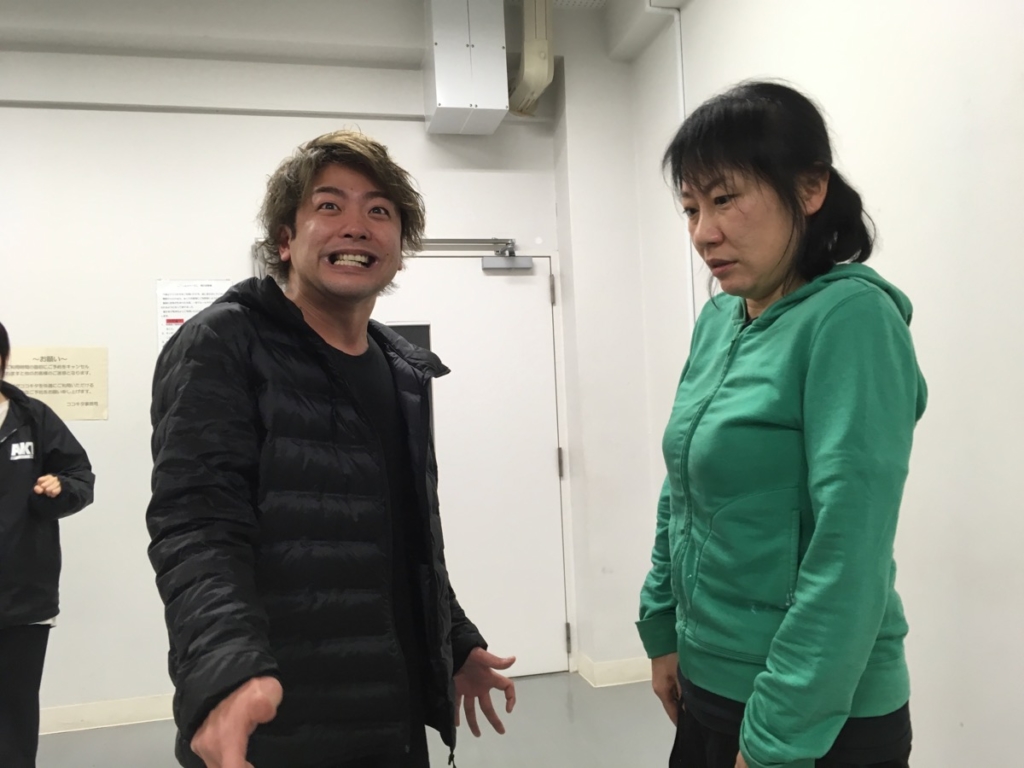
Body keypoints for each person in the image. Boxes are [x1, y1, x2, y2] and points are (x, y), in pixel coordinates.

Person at [147, 130, 516, 768]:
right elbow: (197, 526)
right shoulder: (226, 342)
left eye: (379, 210)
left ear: (399, 247)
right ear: (284, 241)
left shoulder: (402, 369)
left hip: (391, 714)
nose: (356, 226)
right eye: (328, 205)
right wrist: (225, 669)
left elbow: (402, 534)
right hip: (279, 714)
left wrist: (453, 639)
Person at [637, 82, 926, 768]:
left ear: (810, 187)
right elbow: (683, 482)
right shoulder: (720, 319)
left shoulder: (851, 320)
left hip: (816, 715)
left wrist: (778, 737)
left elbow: (849, 550)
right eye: (691, 207)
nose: (703, 232)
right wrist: (663, 625)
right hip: (711, 679)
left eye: (725, 199)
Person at [0, 320, 95, 768]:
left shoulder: (32, 418)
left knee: (15, 712)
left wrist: (59, 489)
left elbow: (80, 477)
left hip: (24, 596)